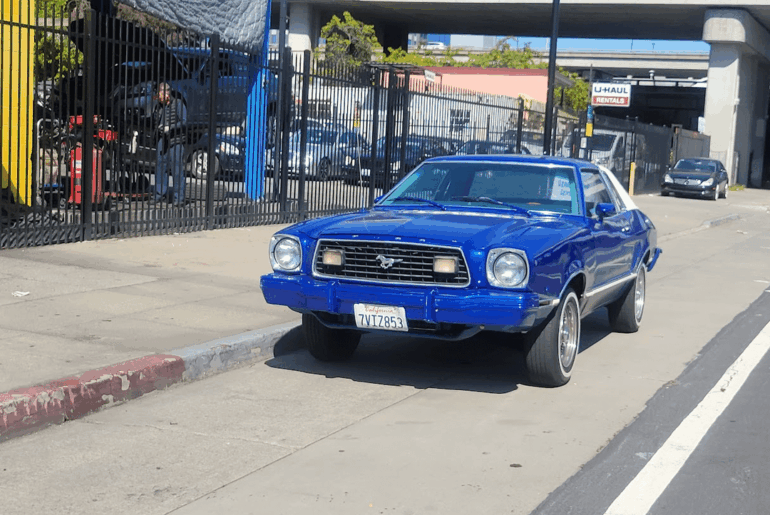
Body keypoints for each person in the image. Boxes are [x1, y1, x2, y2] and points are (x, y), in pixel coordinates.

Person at [154, 82, 187, 205]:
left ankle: (179, 199)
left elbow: (184, 122)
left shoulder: (178, 104)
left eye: (163, 92)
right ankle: (159, 194)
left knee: (177, 169)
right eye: (159, 92)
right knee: (160, 168)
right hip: (162, 140)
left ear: (168, 92)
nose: (160, 95)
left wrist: (171, 127)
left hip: (176, 140)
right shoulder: (159, 106)